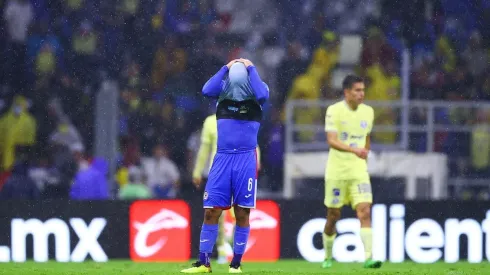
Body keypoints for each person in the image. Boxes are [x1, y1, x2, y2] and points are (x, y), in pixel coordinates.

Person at [181, 58, 269, 273]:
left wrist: (250, 66)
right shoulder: (223, 93)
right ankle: (204, 263)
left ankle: (235, 264)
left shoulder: (257, 92)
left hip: (246, 159)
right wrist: (225, 68)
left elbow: (263, 95)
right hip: (222, 159)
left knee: (242, 213)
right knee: (211, 211)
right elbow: (205, 90)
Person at [322, 75, 381, 269]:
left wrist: (365, 151)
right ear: (347, 92)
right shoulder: (334, 111)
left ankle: (368, 257)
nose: (361, 94)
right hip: (337, 172)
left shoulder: (368, 112)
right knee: (333, 216)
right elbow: (331, 140)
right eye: (357, 90)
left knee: (364, 212)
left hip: (358, 172)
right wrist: (355, 150)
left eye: (363, 90)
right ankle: (328, 256)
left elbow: (367, 137)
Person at [192, 113, 261, 264]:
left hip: (241, 170)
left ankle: (233, 249)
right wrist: (197, 171)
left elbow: (253, 143)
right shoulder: (210, 121)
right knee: (215, 213)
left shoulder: (243, 117)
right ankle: (221, 249)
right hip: (217, 170)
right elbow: (204, 148)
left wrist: (257, 162)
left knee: (240, 213)